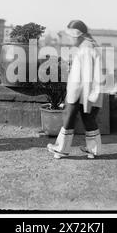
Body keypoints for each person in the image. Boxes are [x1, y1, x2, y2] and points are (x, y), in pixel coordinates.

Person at [47, 20, 103, 159]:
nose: (68, 39)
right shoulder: (89, 46)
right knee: (89, 120)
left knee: (68, 118)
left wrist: (80, 96)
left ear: (77, 35)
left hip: (80, 92)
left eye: (70, 36)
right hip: (86, 93)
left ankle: (61, 149)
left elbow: (87, 77)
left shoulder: (86, 49)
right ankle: (93, 150)